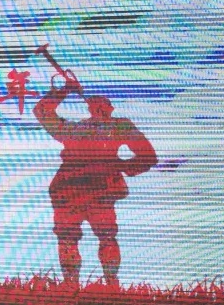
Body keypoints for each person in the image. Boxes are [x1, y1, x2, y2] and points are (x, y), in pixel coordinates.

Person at [33, 77, 156, 287]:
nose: (99, 109)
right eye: (96, 105)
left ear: (109, 108)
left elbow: (148, 157)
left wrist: (122, 166)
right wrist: (65, 90)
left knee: (103, 237)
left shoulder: (118, 126)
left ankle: (109, 284)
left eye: (103, 105)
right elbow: (42, 112)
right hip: (71, 191)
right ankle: (73, 285)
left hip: (96, 190)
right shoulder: (76, 129)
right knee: (69, 238)